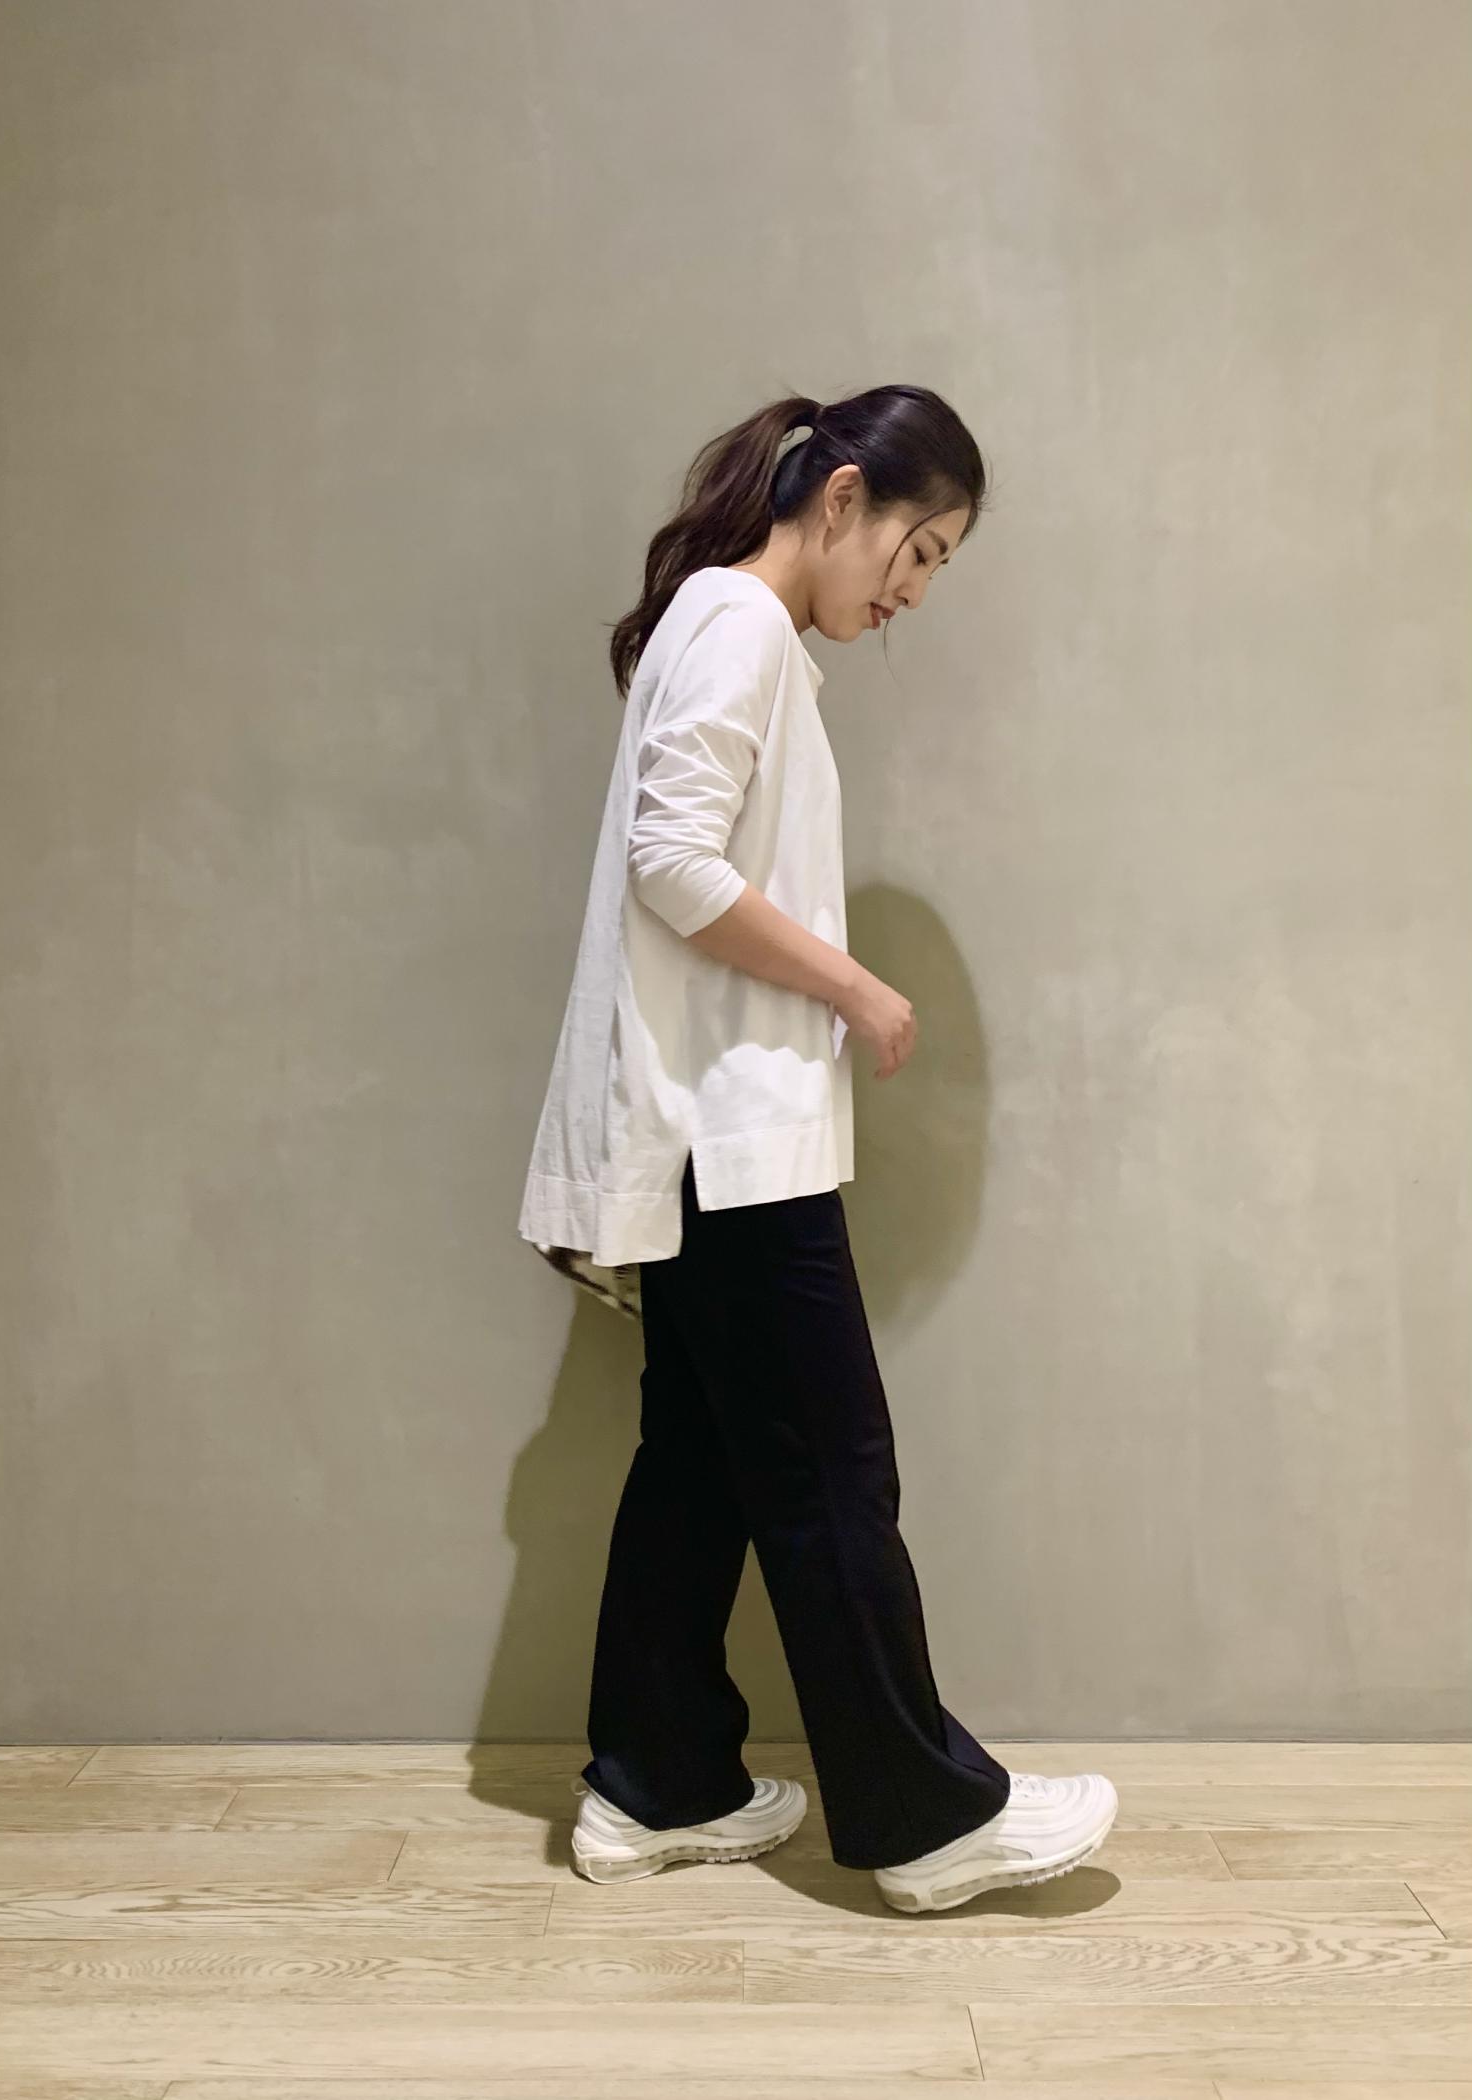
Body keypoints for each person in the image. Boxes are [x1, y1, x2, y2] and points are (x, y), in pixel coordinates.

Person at [518, 383, 1118, 1914]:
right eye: (920, 552)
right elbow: (672, 862)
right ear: (843, 497)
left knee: (704, 1463)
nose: (913, 593)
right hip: (731, 1139)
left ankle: (658, 1784)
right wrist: (856, 988)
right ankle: (923, 1821)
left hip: (703, 1134)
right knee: (833, 1474)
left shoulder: (726, 626)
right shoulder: (740, 625)